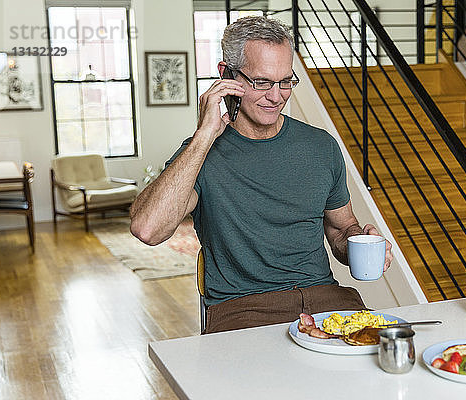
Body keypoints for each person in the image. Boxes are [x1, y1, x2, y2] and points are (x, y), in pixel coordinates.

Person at [130, 16, 393, 333]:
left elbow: (341, 229)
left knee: (388, 363)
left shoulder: (321, 147)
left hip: (326, 301)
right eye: (262, 82)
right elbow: (147, 229)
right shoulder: (200, 154)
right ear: (227, 75)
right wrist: (203, 136)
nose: (277, 95)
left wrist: (358, 241)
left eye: (286, 81)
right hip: (244, 309)